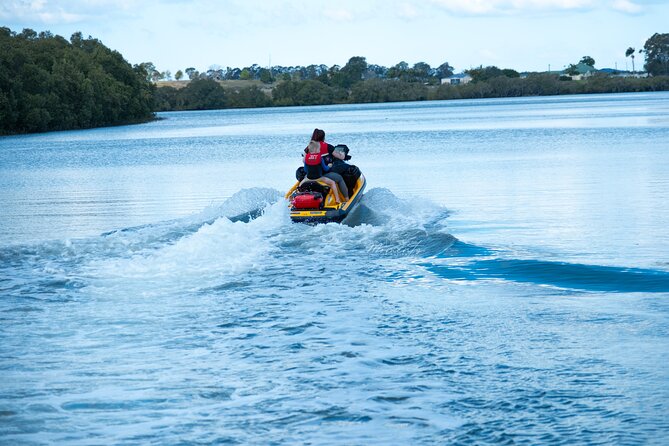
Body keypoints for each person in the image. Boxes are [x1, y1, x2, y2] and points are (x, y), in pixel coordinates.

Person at [307, 129, 349, 201]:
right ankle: (346, 199)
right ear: (323, 137)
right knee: (339, 178)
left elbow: (304, 160)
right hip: (322, 175)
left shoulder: (309, 147)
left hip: (310, 175)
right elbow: (341, 157)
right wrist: (342, 154)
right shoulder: (327, 146)